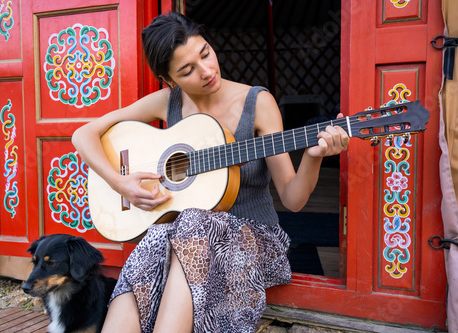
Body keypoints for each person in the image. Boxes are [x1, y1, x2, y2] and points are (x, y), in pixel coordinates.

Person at [72, 12, 349, 333]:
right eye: (187, 70)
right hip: (184, 237)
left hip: (254, 240)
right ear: (170, 80)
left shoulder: (257, 103)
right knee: (159, 240)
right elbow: (84, 134)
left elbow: (294, 199)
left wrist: (313, 157)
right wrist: (121, 182)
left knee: (189, 223)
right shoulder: (168, 102)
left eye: (205, 53)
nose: (206, 71)